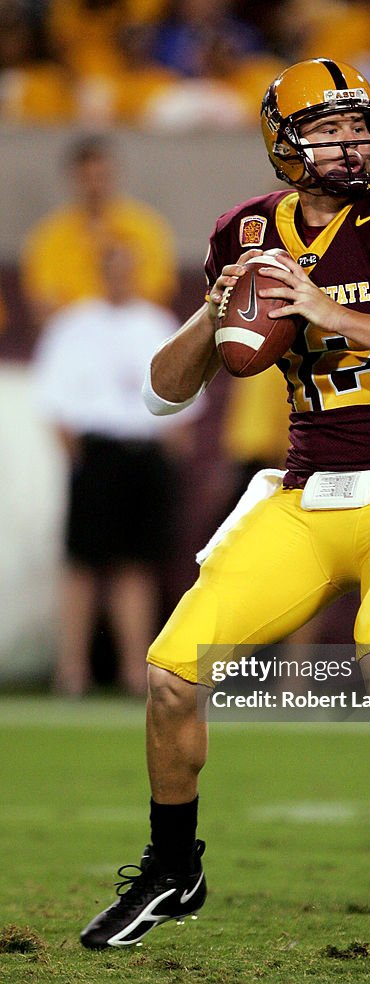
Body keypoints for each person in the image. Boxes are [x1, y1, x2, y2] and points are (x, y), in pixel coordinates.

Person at [80, 57, 370, 971]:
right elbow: (161, 396)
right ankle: (170, 866)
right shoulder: (245, 231)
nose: (352, 142)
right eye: (329, 128)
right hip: (303, 489)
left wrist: (326, 311)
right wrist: (214, 311)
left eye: (360, 125)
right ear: (284, 143)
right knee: (171, 677)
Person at [33, 245, 193, 696]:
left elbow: (180, 390)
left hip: (145, 451)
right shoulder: (74, 325)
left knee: (136, 565)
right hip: (98, 451)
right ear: (101, 271)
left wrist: (172, 447)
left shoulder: (156, 323)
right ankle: (72, 671)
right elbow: (54, 398)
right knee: (82, 564)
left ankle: (131, 670)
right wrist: (78, 458)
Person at [21, 134, 177, 325]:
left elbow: (159, 295)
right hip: (74, 335)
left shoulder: (147, 229)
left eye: (101, 176)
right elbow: (43, 303)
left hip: (133, 331)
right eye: (86, 177)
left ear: (115, 175)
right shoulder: (49, 236)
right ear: (73, 178)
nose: (94, 186)